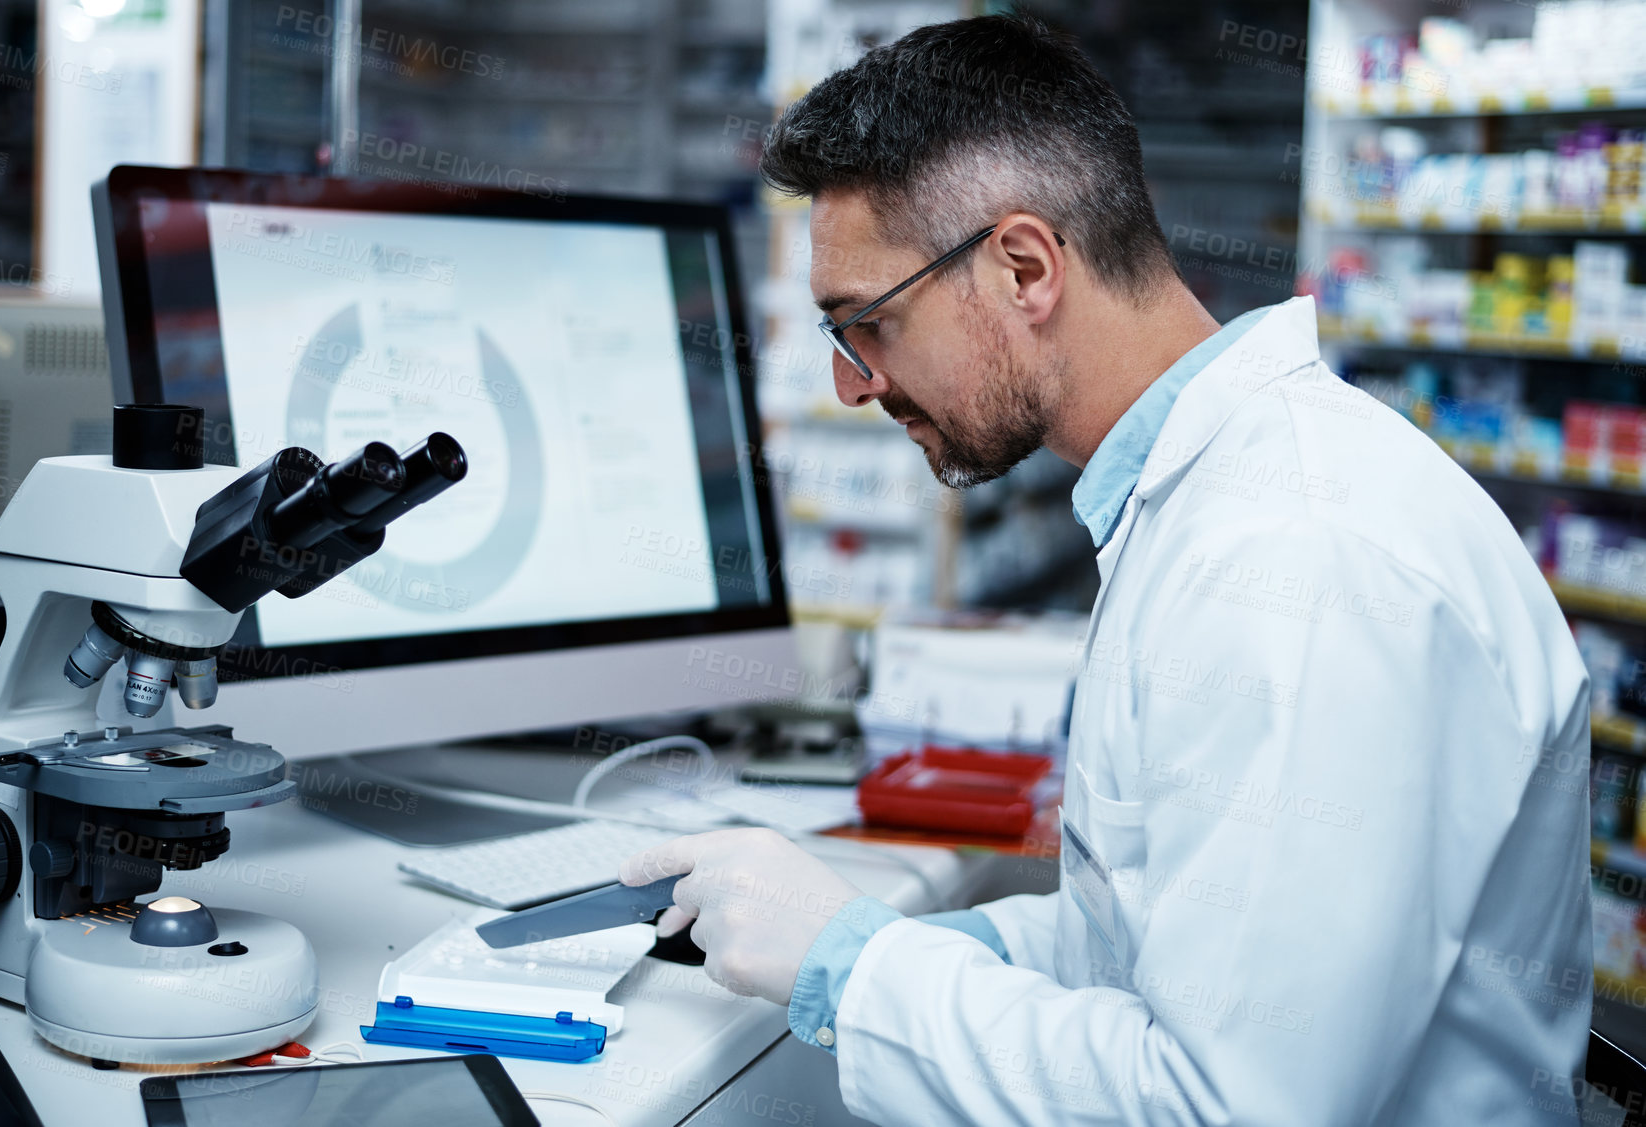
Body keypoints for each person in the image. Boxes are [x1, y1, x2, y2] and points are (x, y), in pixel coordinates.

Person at [620, 13, 1593, 1125]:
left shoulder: (1297, 559)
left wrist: (859, 969)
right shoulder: (1205, 499)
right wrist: (910, 935)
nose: (851, 384)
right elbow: (1151, 934)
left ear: (1023, 267)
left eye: (865, 326)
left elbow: (1225, 1106)